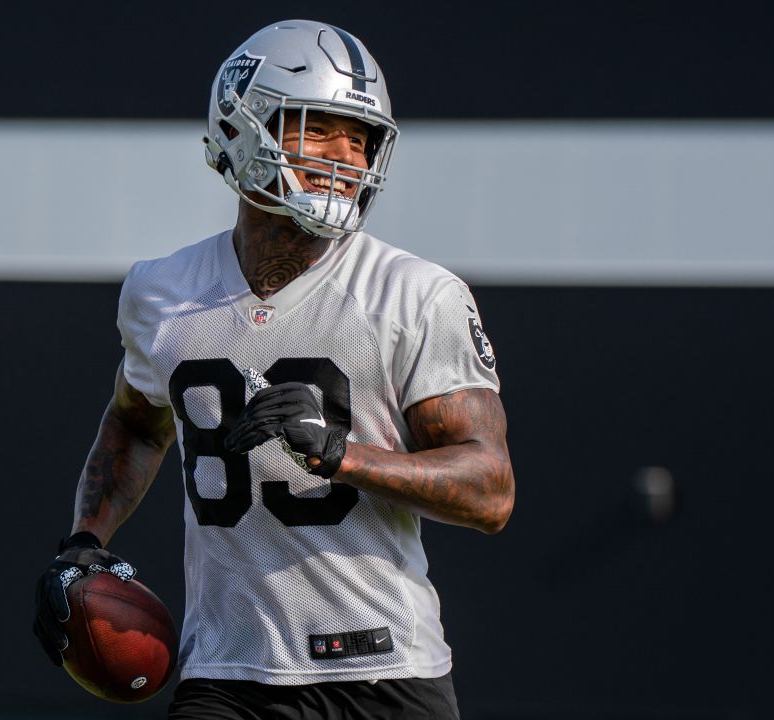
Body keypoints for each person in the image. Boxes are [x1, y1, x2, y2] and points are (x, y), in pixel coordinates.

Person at [33, 18, 515, 720]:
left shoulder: (416, 293)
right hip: (226, 673)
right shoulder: (162, 291)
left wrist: (344, 455)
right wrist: (85, 540)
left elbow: (490, 490)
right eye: (318, 127)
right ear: (244, 123)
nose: (345, 154)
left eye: (361, 137)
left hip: (384, 673)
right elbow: (137, 426)